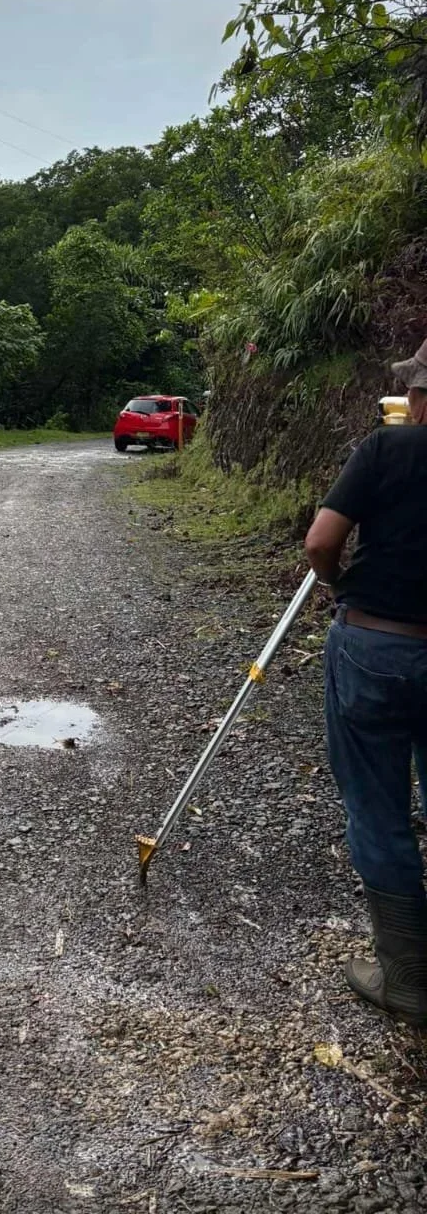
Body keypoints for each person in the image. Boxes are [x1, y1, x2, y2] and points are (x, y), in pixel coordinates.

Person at [304, 337, 427, 1025]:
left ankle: (407, 975)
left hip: (377, 644)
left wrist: (338, 587)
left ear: (417, 396)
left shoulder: (386, 450)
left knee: (378, 805)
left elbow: (322, 542)